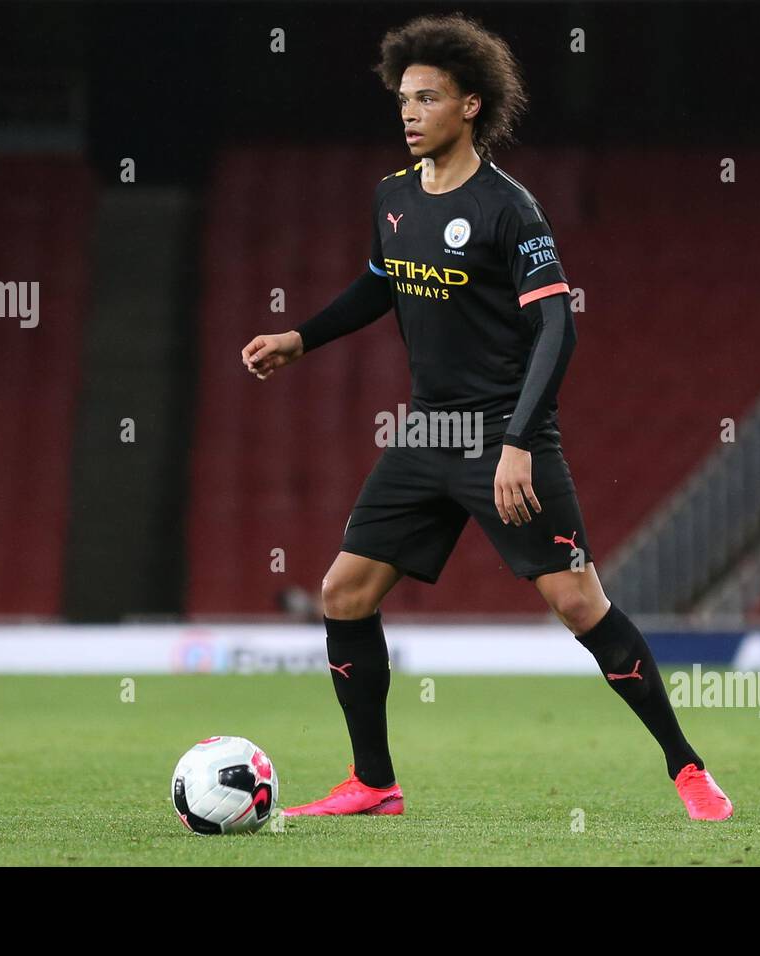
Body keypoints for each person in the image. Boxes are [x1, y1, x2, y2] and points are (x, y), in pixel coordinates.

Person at [240, 13, 732, 822]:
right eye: (402, 98)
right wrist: (302, 337)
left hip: (508, 434)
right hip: (429, 431)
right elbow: (380, 283)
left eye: (427, 98)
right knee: (344, 593)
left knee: (581, 606)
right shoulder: (393, 197)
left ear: (470, 105)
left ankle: (687, 768)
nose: (408, 113)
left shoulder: (510, 209)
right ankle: (373, 782)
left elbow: (556, 325)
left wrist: (515, 444)